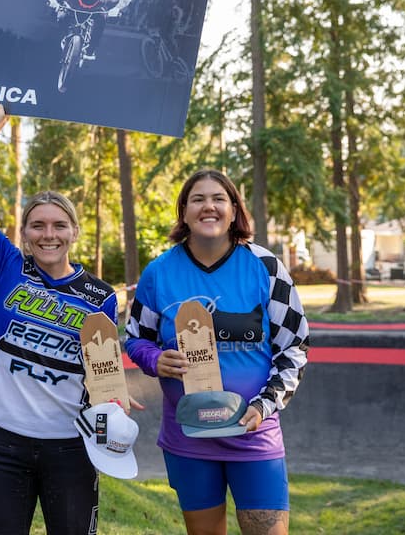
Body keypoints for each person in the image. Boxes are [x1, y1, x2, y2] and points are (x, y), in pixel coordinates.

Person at [0, 102, 121, 535]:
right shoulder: (6, 267)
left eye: (59, 225)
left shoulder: (100, 297)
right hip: (6, 445)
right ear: (24, 233)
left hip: (72, 448)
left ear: (74, 232)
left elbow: (101, 375)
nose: (48, 234)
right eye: (37, 225)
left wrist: (114, 398)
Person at [124, 169, 310, 535]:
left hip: (253, 433)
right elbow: (135, 337)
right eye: (198, 199)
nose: (208, 207)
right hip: (188, 437)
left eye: (218, 199)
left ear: (234, 209)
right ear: (184, 211)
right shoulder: (159, 272)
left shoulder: (266, 267)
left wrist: (264, 405)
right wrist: (154, 359)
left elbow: (294, 348)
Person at [42, 0, 132, 61]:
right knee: (61, 16)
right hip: (72, 11)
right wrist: (52, 0)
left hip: (94, 13)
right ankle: (65, 35)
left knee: (102, 19)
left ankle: (90, 50)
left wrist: (117, 8)